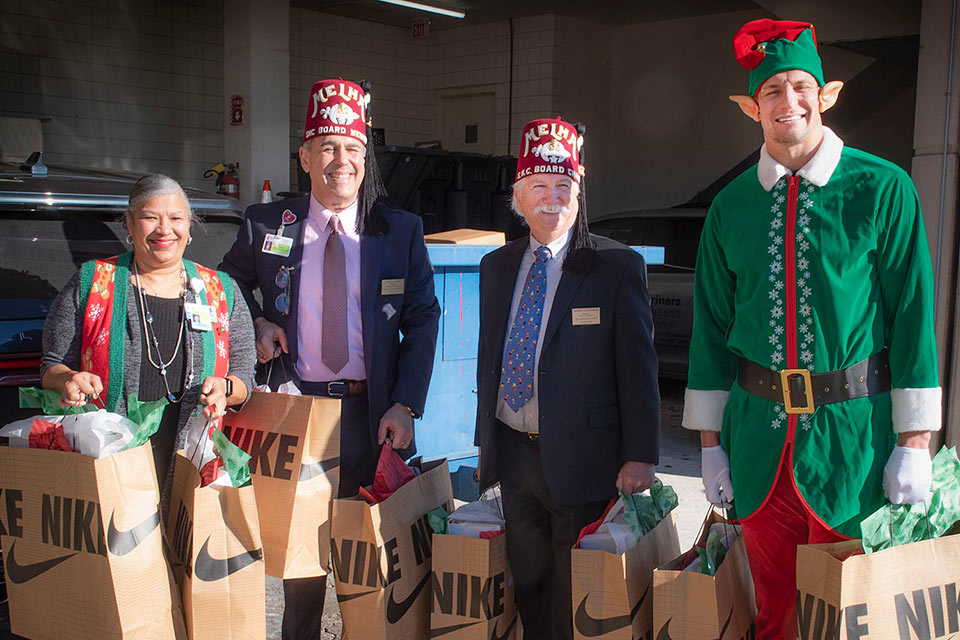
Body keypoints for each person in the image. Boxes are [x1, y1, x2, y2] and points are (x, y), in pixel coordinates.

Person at [683, 19, 940, 638]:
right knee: (773, 613)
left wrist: (914, 443)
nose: (788, 101)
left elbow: (912, 318)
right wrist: (710, 443)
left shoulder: (884, 188)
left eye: (801, 86)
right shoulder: (731, 205)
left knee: (851, 615)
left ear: (827, 95)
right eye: (772, 91)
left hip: (854, 443)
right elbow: (712, 327)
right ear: (751, 108)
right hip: (758, 441)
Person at [220, 78, 440, 640]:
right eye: (326, 147)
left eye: (351, 148)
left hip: (374, 422)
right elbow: (224, 288)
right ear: (304, 156)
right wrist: (261, 322)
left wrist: (406, 404)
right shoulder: (269, 224)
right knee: (301, 573)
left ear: (365, 157)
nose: (339, 161)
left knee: (372, 572)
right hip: (297, 420)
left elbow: (422, 318)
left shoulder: (400, 231)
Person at [473, 117, 660, 640]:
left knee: (575, 589)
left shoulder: (616, 266)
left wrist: (641, 451)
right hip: (514, 453)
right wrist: (483, 442)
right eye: (539, 186)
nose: (551, 198)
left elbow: (638, 367)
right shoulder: (496, 266)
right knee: (529, 581)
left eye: (563, 186)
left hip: (585, 457)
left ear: (579, 192)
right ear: (519, 196)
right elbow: (493, 358)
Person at [41, 173, 256, 502]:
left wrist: (225, 389)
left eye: (175, 218)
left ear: (189, 225)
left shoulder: (221, 290)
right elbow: (52, 367)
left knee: (186, 549)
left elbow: (243, 378)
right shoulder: (92, 282)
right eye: (150, 217)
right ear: (129, 223)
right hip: (108, 460)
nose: (164, 229)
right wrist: (68, 380)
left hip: (194, 460)